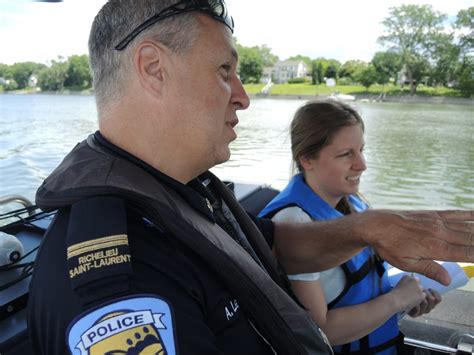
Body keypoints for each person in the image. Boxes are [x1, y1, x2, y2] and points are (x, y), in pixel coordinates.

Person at [27, 1, 473, 354]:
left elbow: (272, 245)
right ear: (153, 68)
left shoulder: (184, 191)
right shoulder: (120, 286)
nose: (242, 97)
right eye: (224, 71)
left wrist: (372, 229)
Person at [259, 100, 442, 354]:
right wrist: (397, 299)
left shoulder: (353, 203)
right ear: (307, 159)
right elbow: (319, 330)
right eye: (346, 154)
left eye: (361, 150)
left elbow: (363, 290)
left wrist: (411, 299)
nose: (362, 164)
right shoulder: (294, 223)